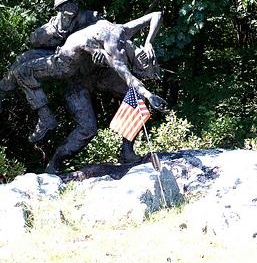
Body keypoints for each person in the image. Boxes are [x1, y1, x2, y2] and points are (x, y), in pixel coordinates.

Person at [13, 12, 168, 173]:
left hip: (98, 74)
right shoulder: (116, 49)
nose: (138, 72)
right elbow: (129, 77)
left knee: (137, 97)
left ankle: (126, 152)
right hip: (76, 80)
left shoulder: (123, 30)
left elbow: (156, 15)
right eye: (141, 70)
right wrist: (150, 95)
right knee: (87, 129)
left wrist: (149, 41)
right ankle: (53, 165)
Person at [0, 0, 101, 117]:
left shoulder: (88, 17)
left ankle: (45, 116)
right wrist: (54, 33)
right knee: (22, 58)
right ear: (60, 7)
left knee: (24, 70)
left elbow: (107, 33)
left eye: (75, 2)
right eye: (68, 3)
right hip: (59, 57)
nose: (73, 6)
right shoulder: (53, 25)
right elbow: (33, 40)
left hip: (81, 63)